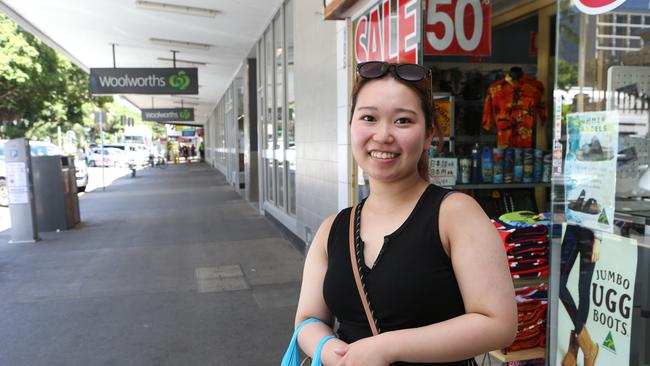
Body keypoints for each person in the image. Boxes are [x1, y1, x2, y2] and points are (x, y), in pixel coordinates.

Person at [293, 61, 517, 366]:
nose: (383, 135)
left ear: (428, 136)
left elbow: (498, 324)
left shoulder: (455, 214)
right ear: (351, 127)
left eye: (402, 121)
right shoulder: (332, 229)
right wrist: (328, 348)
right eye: (369, 117)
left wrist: (388, 348)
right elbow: (307, 319)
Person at [559, 224, 600, 366]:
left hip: (590, 232)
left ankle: (574, 350)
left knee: (583, 289)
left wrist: (598, 239)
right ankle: (588, 346)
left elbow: (606, 203)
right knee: (558, 282)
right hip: (572, 226)